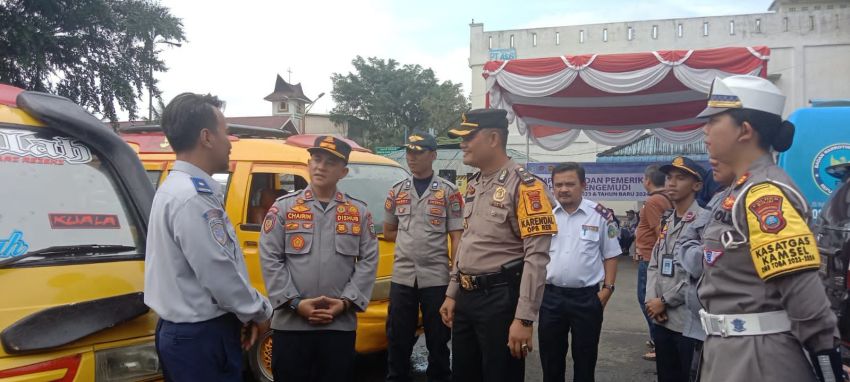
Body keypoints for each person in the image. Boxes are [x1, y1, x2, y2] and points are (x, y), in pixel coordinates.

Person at [697, 75, 842, 382]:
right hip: (732, 350)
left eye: (714, 121)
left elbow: (802, 291)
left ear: (744, 131)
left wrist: (827, 365)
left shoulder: (765, 194)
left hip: (758, 360)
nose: (705, 130)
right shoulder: (738, 190)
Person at [144, 93, 272, 381]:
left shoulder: (178, 189)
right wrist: (259, 312)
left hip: (194, 334)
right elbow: (218, 273)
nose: (229, 142)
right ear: (206, 137)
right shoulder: (192, 197)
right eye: (225, 132)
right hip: (199, 338)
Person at [439, 108, 557, 382]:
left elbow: (536, 259)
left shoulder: (527, 187)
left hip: (500, 300)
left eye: (468, 137)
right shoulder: (475, 185)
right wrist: (452, 292)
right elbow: (467, 241)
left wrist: (524, 319)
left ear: (493, 138)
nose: (462, 144)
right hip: (467, 298)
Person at [259, 135, 379, 382]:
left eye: (330, 162)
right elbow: (270, 257)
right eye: (316, 159)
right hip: (291, 326)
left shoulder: (358, 212)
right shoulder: (284, 208)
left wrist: (346, 303)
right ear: (308, 163)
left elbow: (368, 260)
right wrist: (294, 303)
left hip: (339, 327)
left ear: (343, 172)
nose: (320, 166)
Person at [384, 132, 463, 382]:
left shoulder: (449, 192)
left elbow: (457, 237)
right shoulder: (396, 191)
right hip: (403, 278)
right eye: (409, 152)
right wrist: (413, 242)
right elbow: (389, 231)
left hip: (436, 278)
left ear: (433, 155)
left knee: (438, 340)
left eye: (418, 152)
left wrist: (455, 278)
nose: (411, 157)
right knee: (398, 338)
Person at [539, 162, 620, 382]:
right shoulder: (545, 215)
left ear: (583, 185)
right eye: (558, 185)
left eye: (570, 184)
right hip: (550, 297)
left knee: (585, 360)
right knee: (550, 359)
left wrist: (607, 290)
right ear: (552, 186)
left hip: (586, 299)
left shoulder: (600, 215)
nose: (563, 189)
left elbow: (611, 254)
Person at [644, 156, 705, 382]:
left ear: (697, 185)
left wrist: (665, 301)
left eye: (680, 178)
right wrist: (652, 301)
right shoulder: (668, 219)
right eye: (669, 177)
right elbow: (655, 263)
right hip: (661, 318)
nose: (671, 183)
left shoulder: (704, 221)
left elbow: (698, 273)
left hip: (687, 321)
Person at [675, 158, 735, 382]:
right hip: (703, 322)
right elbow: (688, 238)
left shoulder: (756, 195)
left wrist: (693, 253)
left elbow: (699, 260)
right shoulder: (720, 197)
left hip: (731, 327)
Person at [634, 164, 672, 360]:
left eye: (643, 178)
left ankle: (660, 342)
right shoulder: (666, 198)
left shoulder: (653, 201)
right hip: (651, 257)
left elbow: (661, 233)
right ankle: (657, 338)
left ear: (648, 180)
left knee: (647, 300)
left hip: (650, 259)